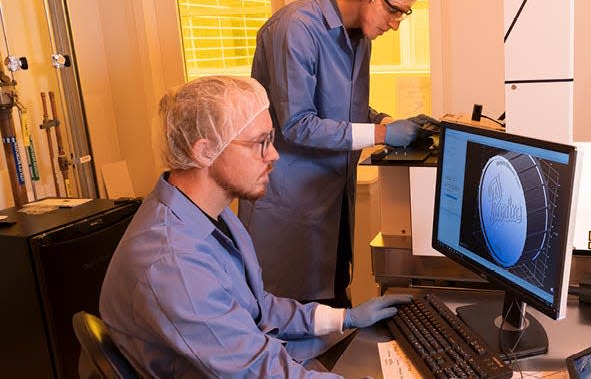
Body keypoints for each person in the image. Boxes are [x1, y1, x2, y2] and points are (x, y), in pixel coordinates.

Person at [99, 75, 411, 378]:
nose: (273, 155)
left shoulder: (209, 214)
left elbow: (257, 306)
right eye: (260, 143)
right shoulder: (172, 261)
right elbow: (256, 371)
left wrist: (342, 318)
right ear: (204, 149)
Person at [240, 0, 434, 306]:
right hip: (289, 204)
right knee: (286, 317)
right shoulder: (295, 28)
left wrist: (383, 121)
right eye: (393, 10)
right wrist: (380, 135)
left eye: (402, 15)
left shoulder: (360, 37)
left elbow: (346, 108)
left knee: (333, 306)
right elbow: (298, 124)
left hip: (332, 204)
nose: (395, 23)